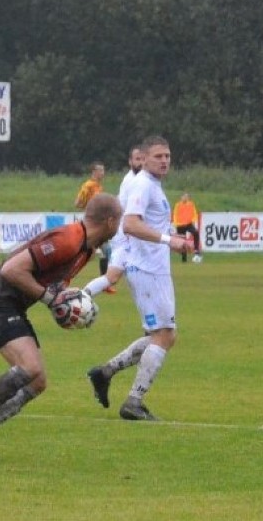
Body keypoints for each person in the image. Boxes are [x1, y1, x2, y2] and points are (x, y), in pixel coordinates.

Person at [0, 193, 123, 461]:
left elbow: (49, 286)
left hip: (11, 305)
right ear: (110, 221)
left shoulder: (85, 249)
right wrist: (50, 298)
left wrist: (65, 306)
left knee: (38, 381)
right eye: (118, 222)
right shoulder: (69, 240)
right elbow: (11, 270)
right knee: (29, 368)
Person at [86, 135, 192, 421]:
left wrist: (170, 237)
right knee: (165, 335)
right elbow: (131, 224)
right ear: (143, 158)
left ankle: (105, 372)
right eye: (158, 156)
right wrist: (169, 240)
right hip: (147, 270)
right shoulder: (144, 184)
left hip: (151, 267)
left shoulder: (151, 185)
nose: (164, 161)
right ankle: (134, 401)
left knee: (160, 335)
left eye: (167, 156)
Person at [82, 144, 144, 297]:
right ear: (130, 161)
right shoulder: (133, 181)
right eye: (137, 159)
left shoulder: (140, 179)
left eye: (143, 159)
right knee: (115, 273)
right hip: (126, 235)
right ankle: (81, 296)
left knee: (112, 276)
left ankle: (82, 295)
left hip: (126, 234)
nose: (141, 162)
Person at [74, 161, 112, 290]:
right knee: (92, 251)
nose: (103, 173)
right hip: (91, 223)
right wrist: (88, 207)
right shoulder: (88, 185)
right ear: (94, 172)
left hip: (99, 223)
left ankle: (105, 283)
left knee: (105, 251)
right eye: (100, 170)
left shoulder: (98, 187)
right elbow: (78, 202)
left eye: (103, 170)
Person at [171, 193, 202, 262]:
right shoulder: (178, 205)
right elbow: (175, 215)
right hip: (180, 225)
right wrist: (176, 224)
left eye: (187, 197)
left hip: (188, 224)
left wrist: (194, 220)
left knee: (196, 232)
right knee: (182, 242)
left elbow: (194, 213)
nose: (185, 198)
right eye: (184, 196)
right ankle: (184, 258)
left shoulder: (191, 204)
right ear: (181, 197)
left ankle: (196, 249)